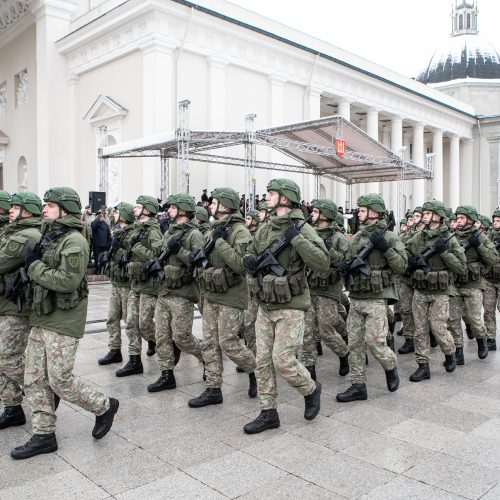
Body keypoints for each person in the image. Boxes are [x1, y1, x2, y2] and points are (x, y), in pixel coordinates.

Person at [11, 187, 118, 460]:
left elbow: (66, 281)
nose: (44, 209)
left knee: (60, 380)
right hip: (42, 315)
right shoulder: (51, 236)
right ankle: (44, 435)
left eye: (49, 205)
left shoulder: (74, 241)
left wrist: (33, 266)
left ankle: (104, 406)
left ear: (64, 209)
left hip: (63, 318)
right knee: (34, 377)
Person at [243, 179, 328, 434]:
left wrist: (297, 239)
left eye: (272, 193)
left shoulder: (301, 227)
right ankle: (268, 412)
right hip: (265, 305)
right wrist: (248, 258)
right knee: (262, 361)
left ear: (285, 198)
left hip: (291, 306)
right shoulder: (266, 227)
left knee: (283, 361)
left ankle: (310, 389)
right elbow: (251, 249)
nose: (267, 197)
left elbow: (323, 262)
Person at [188, 187, 257, 407]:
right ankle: (213, 388)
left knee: (228, 342)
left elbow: (240, 264)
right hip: (211, 295)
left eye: (215, 202)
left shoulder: (240, 232)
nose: (210, 205)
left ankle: (255, 369)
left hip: (231, 296)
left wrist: (219, 242)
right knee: (209, 343)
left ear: (225, 206)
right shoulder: (212, 230)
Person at [336, 193, 407, 403]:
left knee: (376, 342)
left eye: (363, 210)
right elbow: (348, 259)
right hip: (356, 296)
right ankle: (358, 385)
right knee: (354, 344)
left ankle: (390, 366)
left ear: (375, 212)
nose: (359, 213)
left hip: (377, 298)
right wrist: (344, 266)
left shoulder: (391, 237)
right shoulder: (357, 237)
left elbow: (402, 265)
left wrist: (385, 247)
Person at [146, 194, 205, 392]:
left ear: (182, 210)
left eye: (172, 207)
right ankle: (166, 374)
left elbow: (198, 262)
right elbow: (161, 255)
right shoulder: (169, 232)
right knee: (161, 335)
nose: (168, 210)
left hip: (182, 293)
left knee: (182, 337)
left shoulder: (194, 234)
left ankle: (206, 357)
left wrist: (179, 249)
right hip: (164, 291)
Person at [405, 199, 467, 381]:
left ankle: (450, 353)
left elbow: (462, 268)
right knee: (420, 329)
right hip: (420, 289)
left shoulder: (449, 239)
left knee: (438, 327)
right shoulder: (418, 237)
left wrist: (444, 252)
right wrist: (412, 261)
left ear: (438, 216)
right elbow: (404, 255)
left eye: (427, 213)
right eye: (423, 213)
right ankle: (422, 366)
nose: (423, 216)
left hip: (441, 291)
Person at [0, 192, 42, 429]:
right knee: (4, 358)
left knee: (8, 357)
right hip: (5, 303)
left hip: (14, 307)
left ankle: (41, 390)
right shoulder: (12, 231)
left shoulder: (26, 234)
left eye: (15, 208)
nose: (11, 211)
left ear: (26, 211)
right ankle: (12, 406)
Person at [302, 199, 350, 380]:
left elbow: (346, 264)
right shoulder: (310, 233)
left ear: (325, 214)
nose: (311, 214)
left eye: (315, 211)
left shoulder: (339, 238)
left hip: (328, 291)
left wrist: (329, 250)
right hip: (308, 289)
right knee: (308, 333)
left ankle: (345, 354)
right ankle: (309, 368)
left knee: (326, 331)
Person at [115, 195, 163, 377]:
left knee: (144, 324)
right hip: (135, 283)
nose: (134, 210)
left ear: (147, 210)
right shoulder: (137, 229)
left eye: (138, 207)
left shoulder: (153, 231)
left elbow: (157, 256)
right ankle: (134, 360)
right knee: (131, 323)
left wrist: (136, 249)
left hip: (149, 286)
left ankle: (166, 343)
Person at [448, 205, 499, 363]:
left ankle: (482, 340)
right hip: (455, 284)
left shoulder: (480, 236)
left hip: (474, 284)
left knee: (474, 319)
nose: (459, 220)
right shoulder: (452, 236)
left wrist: (478, 245)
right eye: (458, 218)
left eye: (462, 218)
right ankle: (458, 350)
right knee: (453, 319)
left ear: (470, 219)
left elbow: (493, 258)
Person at [97, 202, 135, 365]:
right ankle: (114, 349)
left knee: (130, 321)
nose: (114, 214)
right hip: (116, 283)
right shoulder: (118, 231)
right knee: (112, 318)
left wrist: (117, 251)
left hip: (127, 284)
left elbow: (132, 257)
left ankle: (137, 353)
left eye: (118, 212)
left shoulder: (134, 234)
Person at [483, 209, 500, 351]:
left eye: (498, 221)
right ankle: (490, 338)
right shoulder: (487, 236)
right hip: (489, 279)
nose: (495, 223)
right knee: (488, 310)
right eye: (494, 220)